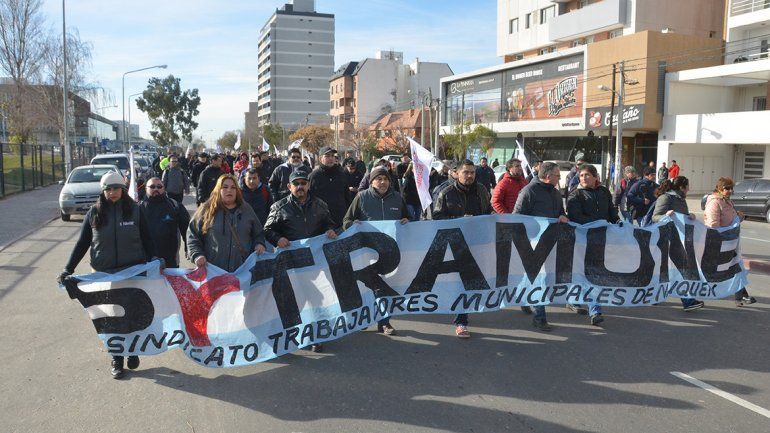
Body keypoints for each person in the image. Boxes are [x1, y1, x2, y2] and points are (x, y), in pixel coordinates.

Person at [58, 172, 156, 379]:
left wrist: (156, 259)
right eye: (108, 189)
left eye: (116, 188)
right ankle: (117, 358)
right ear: (103, 191)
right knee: (111, 318)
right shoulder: (94, 213)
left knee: (133, 315)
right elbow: (82, 243)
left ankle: (133, 350)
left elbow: (148, 239)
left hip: (132, 273)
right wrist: (68, 268)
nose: (112, 192)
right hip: (104, 276)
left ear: (123, 189)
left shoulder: (136, 211)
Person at [263, 167, 337, 352]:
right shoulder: (279, 207)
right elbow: (268, 230)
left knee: (316, 299)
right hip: (291, 263)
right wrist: (278, 239)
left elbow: (329, 223)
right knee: (296, 300)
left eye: (303, 183)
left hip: (315, 262)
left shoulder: (320, 205)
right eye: (296, 184)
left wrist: (330, 230)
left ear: (309, 185)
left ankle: (315, 335)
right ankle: (294, 334)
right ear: (289, 186)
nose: (300, 186)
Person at [342, 165, 410, 335]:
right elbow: (346, 221)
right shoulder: (361, 197)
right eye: (379, 179)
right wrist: (352, 224)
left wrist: (407, 220)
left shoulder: (397, 198)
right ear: (372, 182)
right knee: (368, 288)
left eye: (386, 179)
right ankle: (365, 319)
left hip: (391, 254)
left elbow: (408, 217)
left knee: (386, 287)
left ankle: (384, 322)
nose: (383, 182)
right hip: (367, 253)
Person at [430, 159, 492, 338]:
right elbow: (436, 217)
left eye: (472, 172)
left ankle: (462, 314)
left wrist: (494, 216)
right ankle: (461, 320)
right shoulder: (446, 192)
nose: (470, 175)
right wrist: (459, 221)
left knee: (471, 281)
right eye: (466, 172)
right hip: (454, 243)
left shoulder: (481, 190)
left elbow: (487, 210)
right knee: (458, 282)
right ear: (456, 173)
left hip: (477, 242)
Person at [513, 161, 570, 332]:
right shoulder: (529, 191)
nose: (559, 179)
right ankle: (540, 317)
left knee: (539, 277)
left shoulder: (555, 193)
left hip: (551, 241)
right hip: (533, 242)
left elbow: (561, 212)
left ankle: (524, 297)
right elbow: (517, 217)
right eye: (557, 175)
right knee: (540, 279)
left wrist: (562, 217)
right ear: (548, 176)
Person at [566, 164, 618, 325]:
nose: (583, 178)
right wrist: (598, 223)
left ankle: (572, 299)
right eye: (581, 175)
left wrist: (617, 221)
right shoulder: (575, 194)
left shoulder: (604, 192)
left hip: (602, 238)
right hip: (583, 240)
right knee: (591, 273)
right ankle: (595, 310)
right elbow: (575, 216)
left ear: (595, 177)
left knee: (588, 272)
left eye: (587, 175)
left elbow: (611, 210)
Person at [187, 174, 267, 273]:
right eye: (225, 187)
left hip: (242, 272)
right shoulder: (206, 209)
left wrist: (259, 243)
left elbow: (258, 233)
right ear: (218, 189)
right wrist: (197, 254)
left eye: (233, 187)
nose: (229, 190)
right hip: (213, 272)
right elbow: (192, 236)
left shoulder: (246, 209)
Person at [651, 176, 704, 312]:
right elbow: (655, 217)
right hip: (665, 240)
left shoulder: (680, 199)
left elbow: (682, 218)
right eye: (687, 186)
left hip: (678, 241)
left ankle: (656, 296)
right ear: (681, 187)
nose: (689, 189)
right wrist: (665, 216)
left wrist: (690, 216)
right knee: (677, 270)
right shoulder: (666, 198)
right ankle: (688, 301)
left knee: (671, 271)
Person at [703, 177, 756, 307]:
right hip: (720, 242)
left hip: (730, 242)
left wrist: (739, 217)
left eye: (731, 188)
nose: (730, 191)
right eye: (727, 188)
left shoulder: (727, 202)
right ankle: (689, 294)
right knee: (718, 271)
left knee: (735, 268)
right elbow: (712, 225)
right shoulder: (714, 203)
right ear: (720, 189)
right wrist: (721, 238)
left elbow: (731, 220)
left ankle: (741, 296)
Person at [141, 177, 190, 268]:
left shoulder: (175, 206)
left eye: (159, 186)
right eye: (152, 187)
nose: (156, 189)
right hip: (145, 260)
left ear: (164, 188)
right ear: (146, 188)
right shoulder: (138, 208)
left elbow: (187, 229)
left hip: (170, 260)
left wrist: (189, 248)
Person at [309, 146, 351, 228]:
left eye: (332, 156)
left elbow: (347, 197)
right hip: (321, 222)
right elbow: (309, 199)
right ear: (320, 158)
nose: (331, 158)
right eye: (327, 156)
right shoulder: (314, 176)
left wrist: (350, 216)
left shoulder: (341, 174)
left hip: (340, 220)